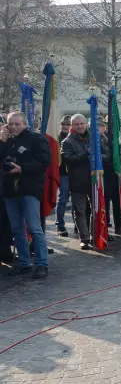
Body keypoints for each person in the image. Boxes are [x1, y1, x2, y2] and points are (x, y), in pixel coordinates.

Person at [0, 111, 52, 278]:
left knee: (34, 228)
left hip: (29, 189)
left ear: (24, 124)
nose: (13, 127)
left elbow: (44, 161)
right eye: (10, 124)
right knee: (17, 229)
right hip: (9, 190)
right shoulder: (5, 140)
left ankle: (42, 263)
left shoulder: (36, 139)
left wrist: (22, 168)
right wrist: (2, 142)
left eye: (17, 124)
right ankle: (24, 263)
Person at [61, 114, 108, 249]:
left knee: (97, 208)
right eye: (77, 124)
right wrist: (87, 154)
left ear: (86, 124)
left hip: (94, 179)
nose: (80, 126)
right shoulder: (67, 142)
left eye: (82, 123)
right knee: (80, 210)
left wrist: (98, 157)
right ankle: (85, 238)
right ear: (72, 126)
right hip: (77, 181)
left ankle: (95, 234)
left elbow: (107, 154)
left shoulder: (95, 138)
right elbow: (69, 160)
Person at [55, 114, 71, 236]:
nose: (65, 126)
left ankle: (79, 226)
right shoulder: (57, 138)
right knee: (63, 198)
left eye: (67, 124)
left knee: (78, 201)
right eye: (63, 124)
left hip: (75, 172)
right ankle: (59, 225)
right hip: (62, 173)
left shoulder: (76, 137)